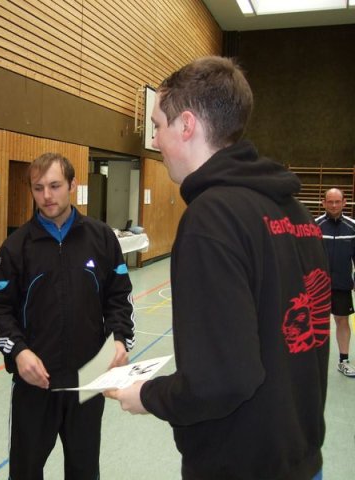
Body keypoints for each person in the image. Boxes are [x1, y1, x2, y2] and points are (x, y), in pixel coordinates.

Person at [105, 56, 330, 480]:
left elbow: (223, 379)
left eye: (158, 126)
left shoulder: (211, 218)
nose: (155, 140)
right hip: (300, 456)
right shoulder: (295, 212)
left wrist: (147, 395)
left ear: (186, 125)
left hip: (240, 465)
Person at [0, 152, 136, 479]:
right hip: (35, 383)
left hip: (88, 380)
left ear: (72, 185)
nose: (47, 196)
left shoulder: (102, 238)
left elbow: (119, 297)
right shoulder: (16, 247)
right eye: (38, 188)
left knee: (84, 471)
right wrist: (19, 352)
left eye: (54, 186)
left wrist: (120, 339)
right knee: (25, 471)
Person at [316, 188, 355, 377]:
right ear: (323, 203)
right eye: (330, 201)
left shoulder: (352, 227)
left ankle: (344, 361)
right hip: (317, 286)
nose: (333, 205)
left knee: (342, 321)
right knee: (314, 324)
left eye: (337, 201)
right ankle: (312, 363)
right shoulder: (314, 225)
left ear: (344, 202)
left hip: (342, 284)